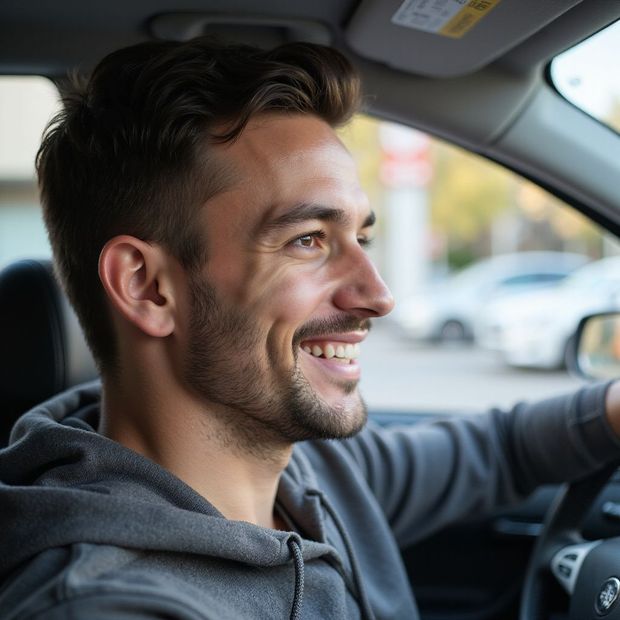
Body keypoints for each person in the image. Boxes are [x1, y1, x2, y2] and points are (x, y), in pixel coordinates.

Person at [1, 37, 620, 620]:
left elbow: (496, 451)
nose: (378, 295)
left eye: (362, 237)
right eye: (308, 240)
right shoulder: (106, 603)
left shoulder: (308, 474)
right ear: (147, 287)